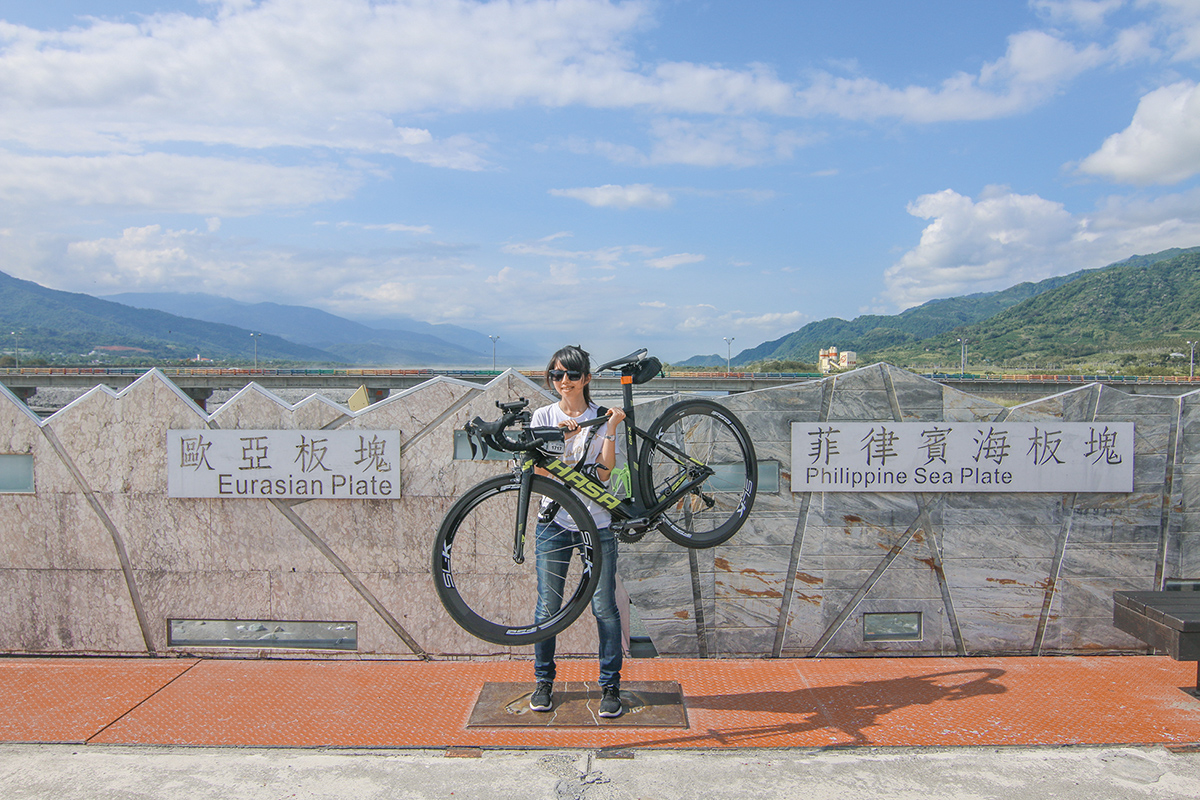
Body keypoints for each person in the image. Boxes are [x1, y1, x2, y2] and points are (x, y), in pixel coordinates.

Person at [528, 345, 627, 718]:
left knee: (603, 606)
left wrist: (611, 428)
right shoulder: (543, 416)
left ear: (586, 378)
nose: (564, 382)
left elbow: (603, 474)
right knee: (548, 606)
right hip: (553, 522)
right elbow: (537, 475)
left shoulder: (600, 416)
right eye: (557, 375)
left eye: (571, 375)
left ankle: (610, 686)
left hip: (596, 521)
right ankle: (543, 682)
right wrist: (562, 440)